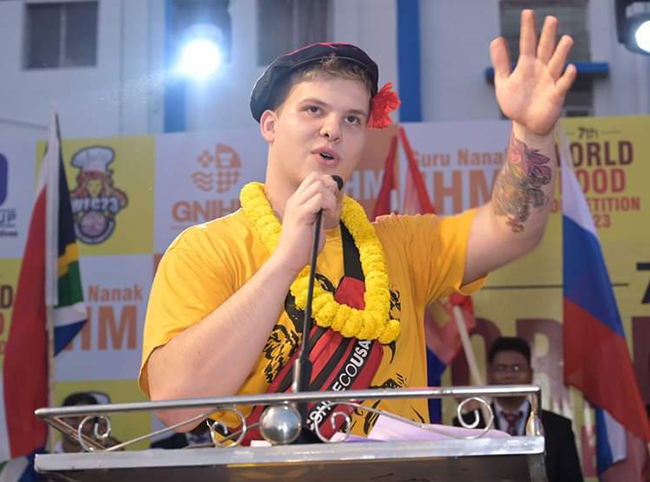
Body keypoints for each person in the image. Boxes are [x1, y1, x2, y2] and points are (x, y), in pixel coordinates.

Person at [140, 9, 577, 440]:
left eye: (352, 118)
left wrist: (532, 132)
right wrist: (286, 260)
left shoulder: (400, 244)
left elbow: (512, 229)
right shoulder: (206, 249)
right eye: (314, 110)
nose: (333, 129)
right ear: (270, 125)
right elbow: (177, 406)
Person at [453, 337, 583, 482]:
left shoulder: (558, 427)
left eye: (516, 368)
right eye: (501, 368)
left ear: (530, 374)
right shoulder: (466, 426)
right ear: (489, 374)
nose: (509, 375)